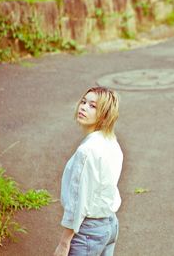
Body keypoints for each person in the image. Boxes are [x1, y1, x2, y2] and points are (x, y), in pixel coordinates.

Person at [54, 87, 124, 256]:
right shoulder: (111, 142)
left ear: (105, 114)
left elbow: (79, 200)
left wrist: (64, 243)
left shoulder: (86, 151)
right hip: (110, 224)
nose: (83, 107)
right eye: (83, 102)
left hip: (87, 233)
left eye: (93, 106)